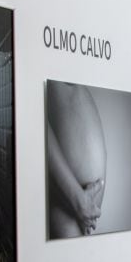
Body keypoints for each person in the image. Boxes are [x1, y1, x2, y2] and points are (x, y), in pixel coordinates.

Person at [46, 82, 107, 237]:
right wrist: (79, 201)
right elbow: (38, 125)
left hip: (80, 208)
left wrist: (84, 204)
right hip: (67, 204)